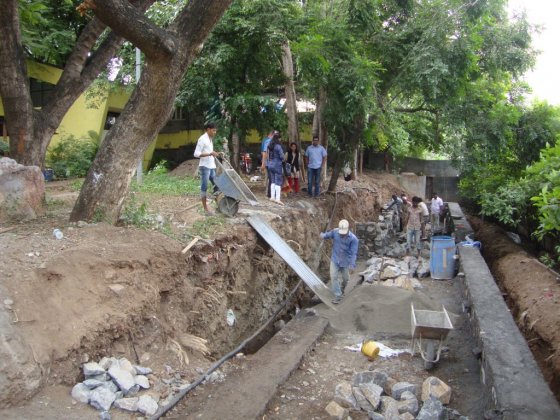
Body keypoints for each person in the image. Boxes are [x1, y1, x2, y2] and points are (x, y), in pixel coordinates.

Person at [320, 219, 359, 304]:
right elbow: (327, 235)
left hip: (345, 261)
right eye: (341, 233)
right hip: (335, 260)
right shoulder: (335, 232)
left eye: (343, 233)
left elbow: (353, 253)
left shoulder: (353, 239)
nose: (341, 235)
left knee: (346, 279)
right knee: (334, 277)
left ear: (348, 229)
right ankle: (338, 296)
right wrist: (322, 235)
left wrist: (352, 264)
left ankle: (342, 289)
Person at [193, 122, 220, 216]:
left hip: (212, 166)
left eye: (215, 130)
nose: (215, 132)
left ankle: (220, 206)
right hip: (204, 167)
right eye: (213, 130)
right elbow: (196, 154)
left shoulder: (210, 139)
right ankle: (205, 210)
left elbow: (210, 152)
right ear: (208, 129)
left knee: (216, 185)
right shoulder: (202, 139)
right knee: (204, 187)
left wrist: (217, 153)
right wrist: (210, 154)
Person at [267, 132, 285, 204]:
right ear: (278, 139)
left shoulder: (270, 146)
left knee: (273, 181)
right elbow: (282, 157)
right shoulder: (278, 146)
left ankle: (272, 197)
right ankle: (278, 199)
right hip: (277, 164)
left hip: (270, 164)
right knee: (278, 181)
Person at [261, 130, 274, 198]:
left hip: (268, 162)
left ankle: (268, 191)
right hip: (269, 162)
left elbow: (262, 152)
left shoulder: (266, 140)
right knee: (269, 177)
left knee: (268, 177)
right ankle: (268, 192)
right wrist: (263, 163)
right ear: (271, 134)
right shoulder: (267, 141)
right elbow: (264, 153)